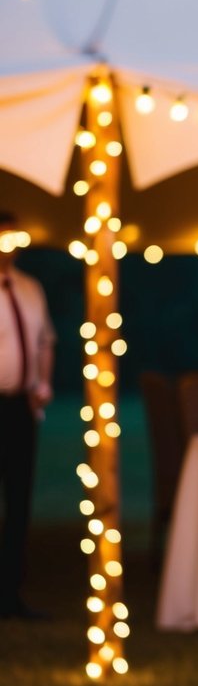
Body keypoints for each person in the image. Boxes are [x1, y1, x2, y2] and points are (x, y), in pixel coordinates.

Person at [0, 212, 55, 619]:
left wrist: (42, 383)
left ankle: (10, 592)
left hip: (20, 407)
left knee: (19, 499)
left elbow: (44, 341)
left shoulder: (31, 288)